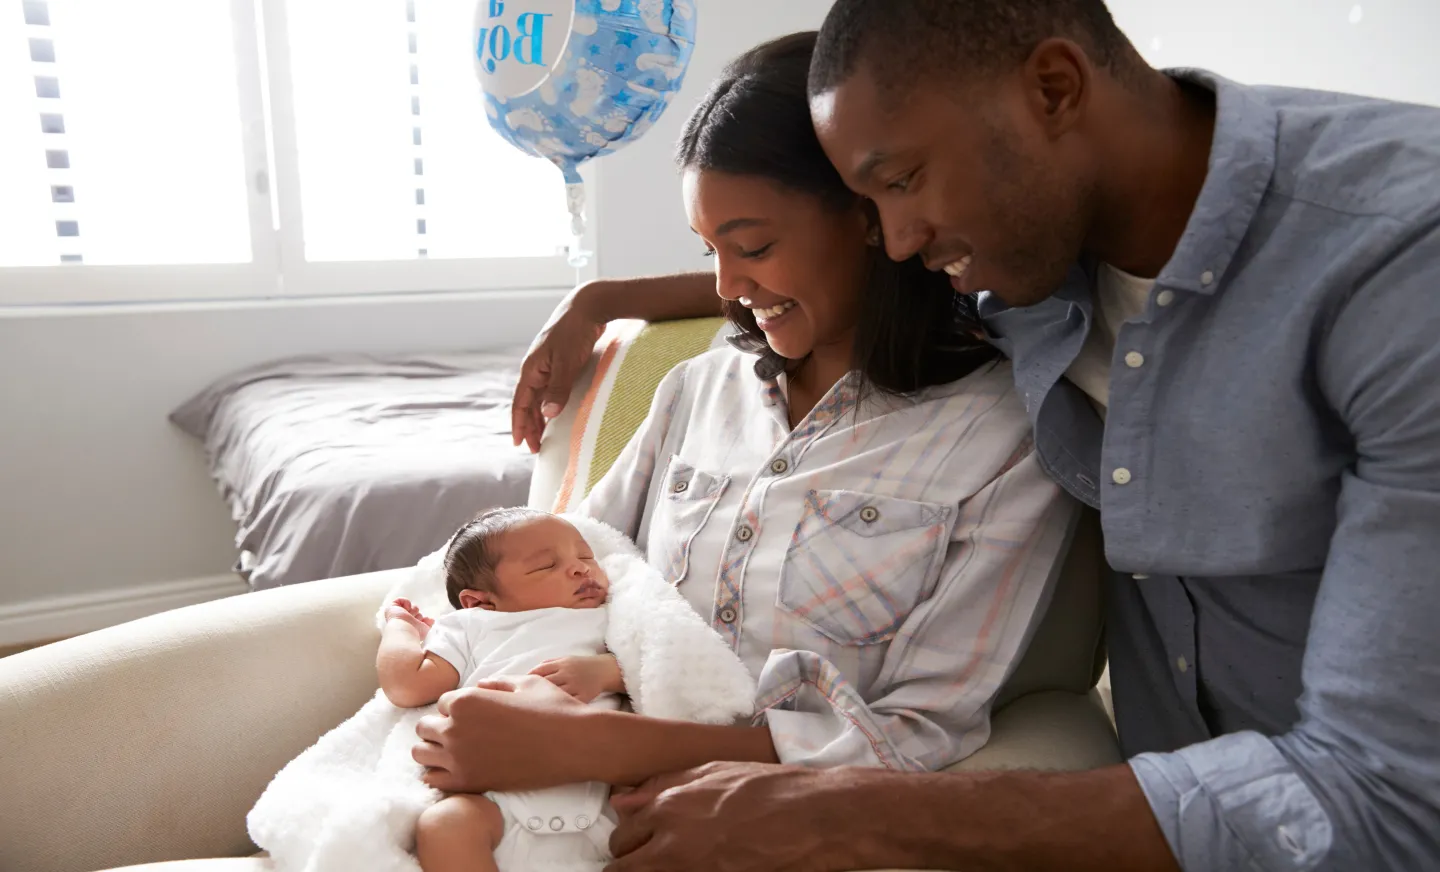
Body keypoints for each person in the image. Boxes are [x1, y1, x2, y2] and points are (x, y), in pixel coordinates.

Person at [506, 2, 1440, 870]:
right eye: (874, 203)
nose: (899, 238)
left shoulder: (1399, 269)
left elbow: (1383, 797)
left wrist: (827, 806)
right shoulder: (1023, 249)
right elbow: (831, 272)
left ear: (1054, 89)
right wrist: (606, 301)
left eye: (902, 182)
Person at [411, 26, 1078, 844]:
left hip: (742, 823)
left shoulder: (1000, 435)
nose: (727, 287)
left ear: (873, 217)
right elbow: (571, 550)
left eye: (753, 246)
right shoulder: (702, 384)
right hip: (552, 785)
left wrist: (600, 743)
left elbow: (919, 731)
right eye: (710, 251)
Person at [378, 508, 621, 872]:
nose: (581, 568)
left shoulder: (616, 613)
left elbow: (656, 666)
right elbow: (406, 684)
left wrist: (607, 673)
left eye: (585, 556)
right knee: (445, 825)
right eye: (545, 565)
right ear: (480, 601)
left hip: (611, 788)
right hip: (498, 799)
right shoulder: (473, 626)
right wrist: (401, 628)